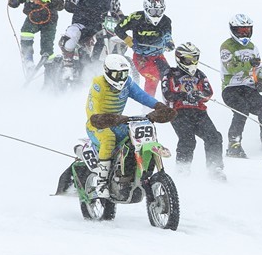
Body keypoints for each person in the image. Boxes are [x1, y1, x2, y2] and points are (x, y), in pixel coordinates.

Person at [55, 54, 176, 197]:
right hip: (98, 124)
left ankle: (132, 172)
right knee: (108, 139)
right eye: (116, 74)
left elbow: (142, 95)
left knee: (137, 134)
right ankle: (101, 182)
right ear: (107, 72)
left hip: (118, 122)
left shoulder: (127, 83)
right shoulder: (98, 84)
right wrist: (106, 118)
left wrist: (159, 106)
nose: (120, 77)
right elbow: (92, 111)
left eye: (124, 73)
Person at [161, 42, 225, 180]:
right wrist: (183, 93)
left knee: (214, 136)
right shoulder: (171, 73)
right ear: (180, 58)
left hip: (199, 112)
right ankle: (182, 170)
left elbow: (208, 93)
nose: (192, 62)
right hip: (178, 112)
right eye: (189, 59)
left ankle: (215, 168)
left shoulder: (200, 74)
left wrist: (198, 93)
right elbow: (167, 94)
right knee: (188, 139)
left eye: (195, 58)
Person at [221, 14, 262, 158]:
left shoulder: (253, 47)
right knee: (241, 109)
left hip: (247, 88)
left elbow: (258, 68)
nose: (244, 34)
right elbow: (231, 67)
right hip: (231, 88)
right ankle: (234, 144)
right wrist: (248, 64)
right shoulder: (227, 46)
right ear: (233, 30)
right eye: (241, 31)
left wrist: (260, 81)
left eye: (247, 30)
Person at [60, 0, 123, 80]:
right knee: (72, 34)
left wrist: (123, 19)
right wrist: (77, 7)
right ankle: (67, 65)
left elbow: (116, 8)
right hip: (82, 22)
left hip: (103, 24)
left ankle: (112, 62)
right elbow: (68, 3)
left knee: (117, 36)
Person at [114, 0, 174, 97]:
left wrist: (169, 43)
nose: (156, 15)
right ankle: (148, 106)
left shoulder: (166, 20)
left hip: (158, 56)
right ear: (146, 9)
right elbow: (118, 29)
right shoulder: (136, 17)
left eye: (159, 11)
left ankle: (172, 103)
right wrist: (129, 41)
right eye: (153, 11)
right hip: (141, 57)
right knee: (153, 77)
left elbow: (167, 34)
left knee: (169, 78)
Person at [8, 0, 65, 72]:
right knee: (26, 32)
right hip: (33, 18)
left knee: (47, 46)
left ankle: (49, 69)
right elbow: (14, 3)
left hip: (49, 21)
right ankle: (28, 60)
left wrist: (51, 2)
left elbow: (61, 5)